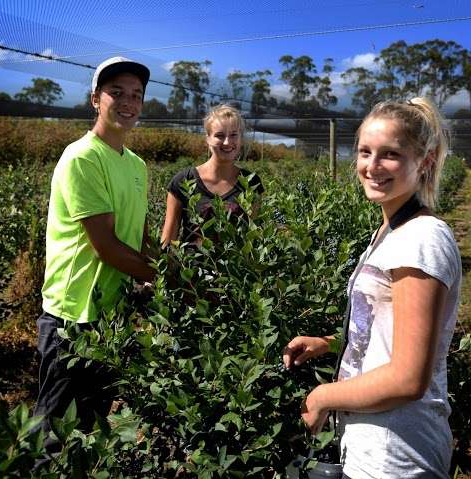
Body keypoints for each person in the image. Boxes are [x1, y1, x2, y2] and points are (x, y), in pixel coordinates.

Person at [283, 97, 461, 478]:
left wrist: (322, 397)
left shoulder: (421, 238)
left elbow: (408, 378)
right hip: (373, 446)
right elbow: (393, 330)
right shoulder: (391, 230)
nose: (372, 166)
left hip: (397, 454)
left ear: (425, 162)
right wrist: (331, 343)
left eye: (390, 154)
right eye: (365, 152)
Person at [35, 57, 156, 443]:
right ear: (95, 100)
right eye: (116, 92)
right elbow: (105, 246)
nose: (128, 102)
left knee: (90, 429)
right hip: (73, 316)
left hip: (111, 317)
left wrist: (173, 264)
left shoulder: (136, 165)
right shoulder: (82, 157)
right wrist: (169, 279)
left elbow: (139, 236)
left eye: (136, 95)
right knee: (55, 434)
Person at [161, 104, 264, 246]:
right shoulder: (184, 180)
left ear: (240, 138)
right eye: (219, 136)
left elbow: (254, 239)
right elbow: (168, 240)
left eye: (233, 135)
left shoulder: (251, 182)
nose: (227, 142)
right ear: (208, 138)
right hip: (193, 267)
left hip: (235, 268)